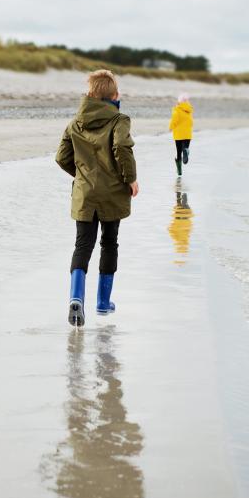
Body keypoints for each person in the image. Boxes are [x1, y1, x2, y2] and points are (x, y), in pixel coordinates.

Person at [56, 69, 139, 327]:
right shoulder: (119, 120)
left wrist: (82, 176)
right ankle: (103, 303)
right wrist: (130, 179)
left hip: (85, 193)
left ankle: (76, 298)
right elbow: (121, 148)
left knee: (83, 245)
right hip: (112, 192)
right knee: (109, 242)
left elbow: (61, 157)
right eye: (118, 91)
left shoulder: (76, 121)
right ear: (111, 96)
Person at [168, 93, 193, 175]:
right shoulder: (189, 110)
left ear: (179, 102)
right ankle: (186, 150)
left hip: (178, 134)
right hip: (187, 134)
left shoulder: (177, 110)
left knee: (178, 152)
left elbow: (174, 119)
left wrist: (171, 127)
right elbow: (191, 122)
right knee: (185, 148)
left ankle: (179, 170)